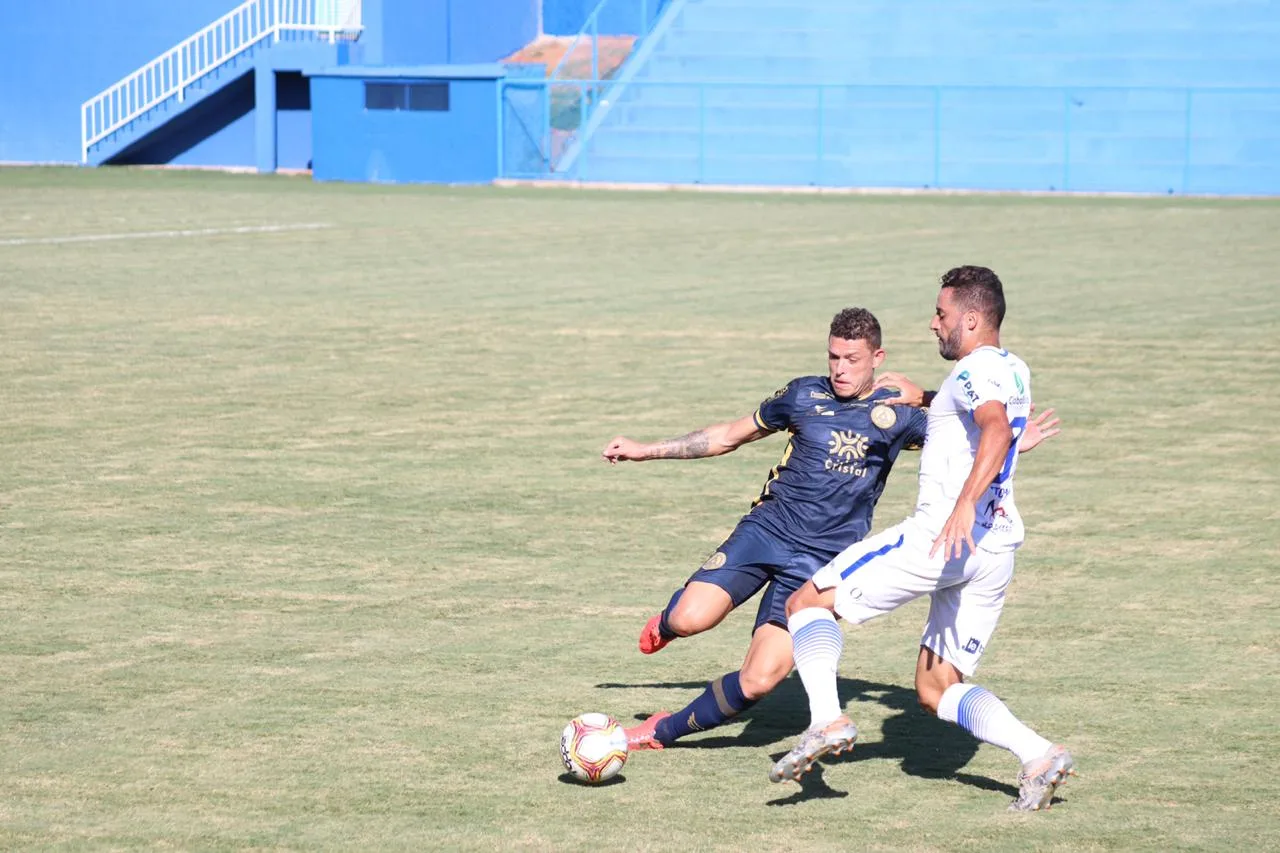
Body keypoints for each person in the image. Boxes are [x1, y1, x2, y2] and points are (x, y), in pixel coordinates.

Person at [601, 307, 1059, 754]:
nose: (840, 370)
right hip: (767, 530)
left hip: (822, 559)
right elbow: (728, 435)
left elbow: (967, 429)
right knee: (688, 619)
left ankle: (663, 730)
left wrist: (1015, 444)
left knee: (759, 681)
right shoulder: (801, 395)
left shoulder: (897, 412)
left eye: (852, 359)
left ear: (877, 359)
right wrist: (645, 450)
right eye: (833, 357)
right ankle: (668, 622)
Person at [769, 266, 1075, 813]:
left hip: (944, 540)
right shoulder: (1009, 366)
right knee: (935, 690)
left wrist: (961, 506)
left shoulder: (973, 370)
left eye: (942, 313)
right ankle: (1038, 754)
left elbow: (997, 428)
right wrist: (927, 397)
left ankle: (826, 720)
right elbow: (985, 418)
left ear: (972, 318)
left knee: (805, 602)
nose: (934, 324)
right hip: (997, 548)